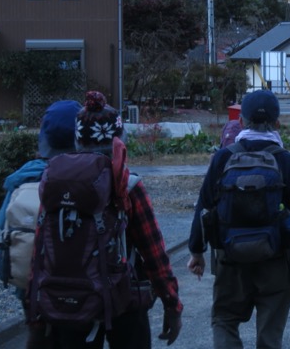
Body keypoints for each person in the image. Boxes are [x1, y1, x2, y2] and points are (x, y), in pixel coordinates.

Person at [31, 90, 183, 347]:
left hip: (65, 300)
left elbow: (40, 249)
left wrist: (33, 304)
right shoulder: (127, 185)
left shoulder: (55, 182)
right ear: (119, 138)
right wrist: (172, 304)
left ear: (78, 140)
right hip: (123, 300)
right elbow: (154, 252)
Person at [187, 90, 290, 349]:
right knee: (270, 336)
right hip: (275, 262)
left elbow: (203, 206)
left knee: (224, 319)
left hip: (230, 261)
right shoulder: (287, 162)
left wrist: (197, 251)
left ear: (241, 123)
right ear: (278, 123)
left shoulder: (223, 158)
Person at [0, 99, 81, 349]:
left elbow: (3, 222)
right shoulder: (88, 174)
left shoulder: (26, 175)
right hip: (79, 284)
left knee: (40, 336)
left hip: (32, 284)